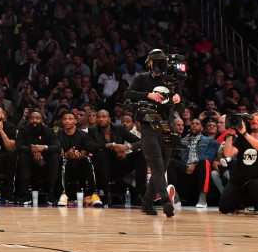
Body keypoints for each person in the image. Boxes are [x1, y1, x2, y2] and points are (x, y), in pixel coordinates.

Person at [124, 49, 184, 217]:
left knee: (162, 167)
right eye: (154, 60)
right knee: (156, 163)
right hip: (149, 126)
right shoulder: (142, 78)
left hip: (167, 127)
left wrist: (178, 101)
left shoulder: (172, 81)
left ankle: (147, 202)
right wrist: (148, 95)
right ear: (149, 63)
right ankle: (166, 201)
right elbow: (127, 93)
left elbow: (182, 108)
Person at [218, 113, 258, 214]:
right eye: (252, 121)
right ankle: (241, 202)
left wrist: (245, 134)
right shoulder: (242, 139)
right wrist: (230, 133)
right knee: (224, 209)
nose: (254, 122)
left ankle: (257, 204)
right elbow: (228, 153)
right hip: (238, 181)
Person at [88, 109, 144, 207]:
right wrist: (109, 146)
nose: (101, 119)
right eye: (99, 117)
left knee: (141, 154)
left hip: (119, 163)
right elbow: (90, 146)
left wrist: (126, 147)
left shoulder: (119, 128)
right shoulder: (93, 131)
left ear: (109, 119)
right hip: (102, 167)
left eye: (104, 117)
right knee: (101, 154)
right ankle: (108, 195)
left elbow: (141, 142)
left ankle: (139, 195)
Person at [166, 118, 218, 208]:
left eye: (197, 124)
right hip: (186, 167)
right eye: (192, 123)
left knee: (204, 162)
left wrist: (194, 164)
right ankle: (175, 196)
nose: (194, 125)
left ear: (201, 128)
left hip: (199, 168)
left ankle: (203, 196)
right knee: (170, 161)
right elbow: (174, 153)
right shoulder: (183, 141)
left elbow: (210, 156)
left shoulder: (209, 140)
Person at [15, 110, 60, 205]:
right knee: (23, 156)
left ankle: (51, 195)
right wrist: (34, 149)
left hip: (45, 163)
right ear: (28, 119)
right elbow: (19, 147)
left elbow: (57, 147)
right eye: (32, 118)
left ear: (42, 120)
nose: (34, 120)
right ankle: (25, 195)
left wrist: (43, 148)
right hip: (29, 162)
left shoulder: (49, 131)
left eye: (37, 118)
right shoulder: (23, 130)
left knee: (54, 156)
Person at [56, 111, 94, 206]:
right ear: (62, 121)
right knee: (64, 161)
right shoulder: (57, 135)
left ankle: (93, 194)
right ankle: (63, 194)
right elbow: (60, 153)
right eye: (65, 119)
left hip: (80, 163)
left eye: (70, 119)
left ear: (75, 121)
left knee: (89, 160)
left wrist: (79, 155)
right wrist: (68, 154)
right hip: (65, 163)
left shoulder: (84, 134)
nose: (67, 121)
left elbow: (85, 151)